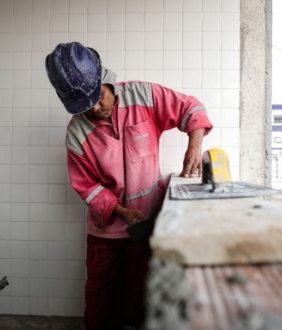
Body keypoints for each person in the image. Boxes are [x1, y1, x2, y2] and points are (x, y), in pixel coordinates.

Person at [45, 42, 213, 330]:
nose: (96, 109)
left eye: (98, 98)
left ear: (104, 79)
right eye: (85, 106)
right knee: (100, 296)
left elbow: (192, 107)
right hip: (104, 231)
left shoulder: (144, 96)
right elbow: (87, 186)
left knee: (139, 293)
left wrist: (195, 145)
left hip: (145, 224)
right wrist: (120, 211)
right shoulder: (76, 133)